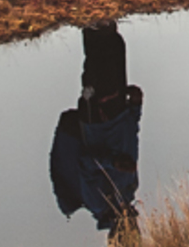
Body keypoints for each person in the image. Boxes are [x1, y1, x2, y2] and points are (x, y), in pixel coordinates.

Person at [48, 20, 143, 235]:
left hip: (99, 120)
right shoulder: (129, 192)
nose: (135, 225)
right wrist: (136, 109)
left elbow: (86, 162)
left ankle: (92, 20)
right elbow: (132, 144)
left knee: (101, 58)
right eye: (136, 229)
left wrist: (114, 162)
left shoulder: (97, 203)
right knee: (116, 47)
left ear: (117, 232)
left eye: (131, 230)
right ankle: (99, 17)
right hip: (119, 113)